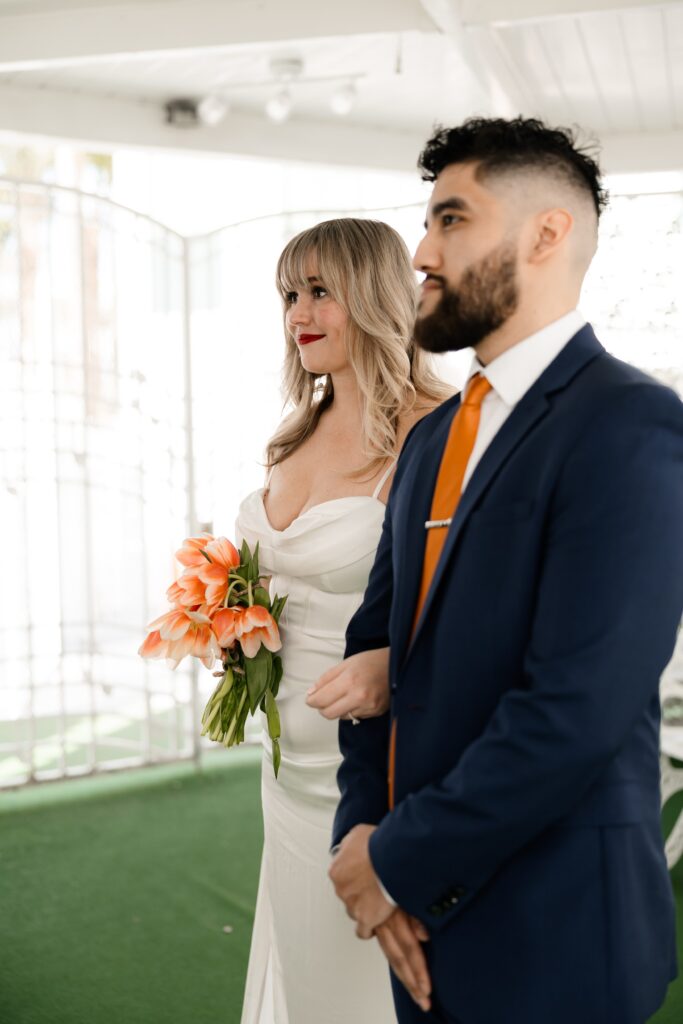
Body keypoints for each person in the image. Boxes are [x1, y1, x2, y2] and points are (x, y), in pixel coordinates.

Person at [319, 118, 683, 1023]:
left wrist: (397, 861)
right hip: (417, 929)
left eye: (451, 220)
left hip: (554, 931)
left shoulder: (630, 425)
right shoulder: (435, 435)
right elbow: (378, 658)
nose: (419, 251)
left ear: (545, 233)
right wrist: (361, 838)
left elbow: (575, 711)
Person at [236, 217, 452, 1024]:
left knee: (374, 974)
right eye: (290, 294)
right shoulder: (293, 432)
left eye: (321, 290)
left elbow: (472, 609)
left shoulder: (438, 428)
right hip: (287, 749)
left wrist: (391, 660)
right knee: (305, 950)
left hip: (378, 756)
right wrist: (229, 625)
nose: (299, 312)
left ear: (376, 294)